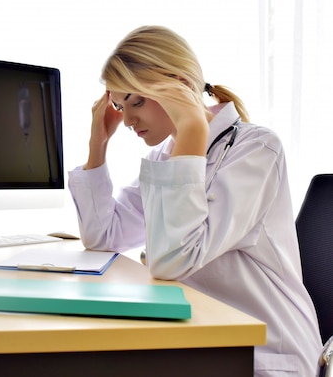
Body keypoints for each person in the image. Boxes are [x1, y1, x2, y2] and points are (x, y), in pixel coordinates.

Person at [68, 25, 322, 376]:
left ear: (181, 86)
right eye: (119, 105)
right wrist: (97, 145)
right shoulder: (164, 159)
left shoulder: (256, 149)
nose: (126, 120)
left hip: (267, 354)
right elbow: (102, 237)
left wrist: (191, 126)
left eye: (136, 101)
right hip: (204, 342)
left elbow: (176, 258)